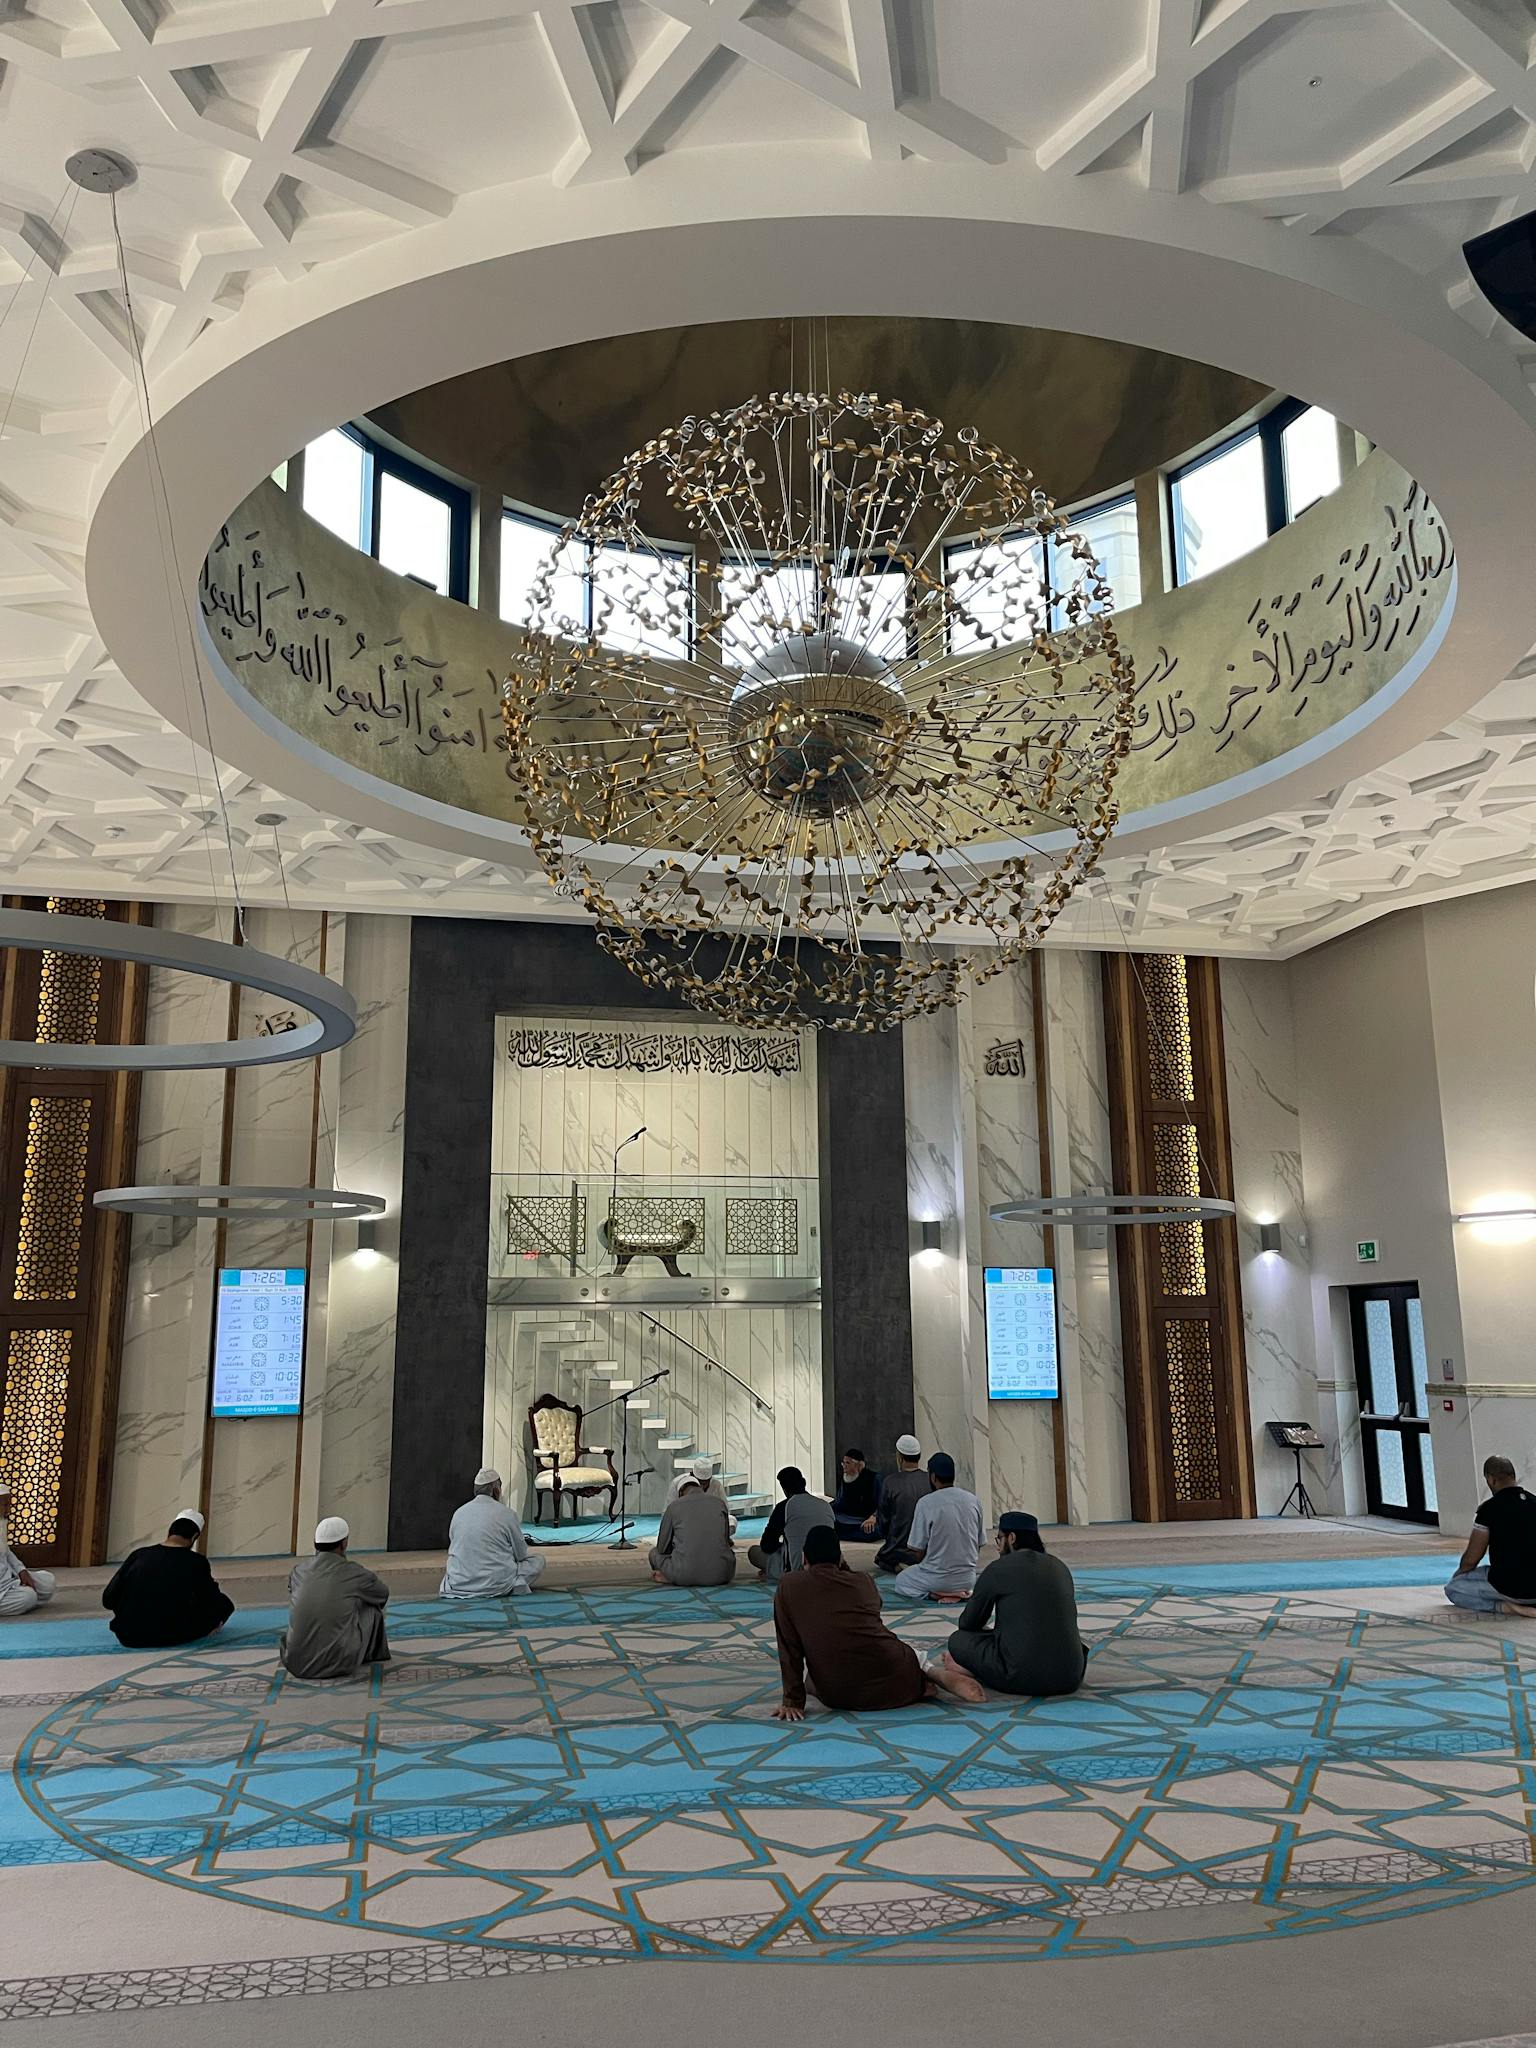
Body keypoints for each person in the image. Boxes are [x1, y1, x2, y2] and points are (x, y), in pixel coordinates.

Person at [773, 1525, 979, 1720]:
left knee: (813, 1680)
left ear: (804, 1557)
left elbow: (789, 1648)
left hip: (838, 1695)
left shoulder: (789, 1586)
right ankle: (929, 1675)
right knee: (903, 1652)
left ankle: (927, 1678)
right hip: (897, 1679)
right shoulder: (863, 1581)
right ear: (840, 1558)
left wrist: (793, 1701)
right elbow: (871, 1609)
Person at [936, 1511, 1086, 1699]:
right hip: (1070, 1676)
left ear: (1011, 1538)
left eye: (999, 1540)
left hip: (1020, 1677)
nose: (998, 1548)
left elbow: (968, 1623)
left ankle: (972, 1669)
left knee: (958, 1640)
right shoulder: (1059, 1566)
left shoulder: (999, 1568)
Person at [101, 1508, 234, 1648]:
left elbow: (109, 1599)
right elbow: (210, 1599)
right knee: (224, 1603)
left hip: (129, 1635)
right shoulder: (196, 1561)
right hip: (175, 1635)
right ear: (194, 1537)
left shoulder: (139, 1555)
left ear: (169, 1532)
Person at [279, 1517, 390, 1680]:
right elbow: (382, 1595)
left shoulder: (298, 1571)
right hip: (340, 1664)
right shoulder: (354, 1572)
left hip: (295, 1663)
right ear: (344, 1544)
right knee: (371, 1606)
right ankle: (373, 1654)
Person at [1445, 1455, 1536, 1615]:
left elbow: (1472, 1559)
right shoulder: (1534, 1502)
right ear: (1513, 1477)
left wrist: (1458, 1576)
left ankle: (1509, 1608)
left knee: (1454, 1589)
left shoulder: (1489, 1509)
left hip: (1510, 1586)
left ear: (1490, 1480)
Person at [892, 1453, 985, 1600]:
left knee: (901, 1581)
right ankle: (954, 1592)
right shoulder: (973, 1500)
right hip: (967, 1580)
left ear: (933, 1477)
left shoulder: (925, 1503)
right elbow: (979, 1544)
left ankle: (935, 1594)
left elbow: (918, 1551)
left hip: (936, 1579)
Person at [441, 1468, 545, 1598]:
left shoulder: (459, 1513)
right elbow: (521, 1554)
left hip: (460, 1582)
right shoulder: (507, 1514)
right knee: (538, 1560)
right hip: (496, 1582)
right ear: (496, 1490)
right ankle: (512, 1585)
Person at [748, 1466, 834, 1585]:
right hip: (829, 1568)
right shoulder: (825, 1505)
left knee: (754, 1552)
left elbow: (767, 1545)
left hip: (797, 1569)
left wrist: (783, 1545)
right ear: (803, 1483)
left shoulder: (785, 1507)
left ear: (784, 1488)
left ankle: (774, 1572)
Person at [650, 1476, 737, 1586]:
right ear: (699, 1487)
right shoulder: (719, 1503)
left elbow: (662, 1548)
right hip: (723, 1573)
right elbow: (726, 1542)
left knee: (654, 1554)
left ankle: (669, 1576)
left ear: (681, 1492)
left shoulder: (674, 1506)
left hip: (684, 1575)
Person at [874, 1434, 930, 1573]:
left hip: (899, 1550)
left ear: (900, 1457)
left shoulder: (890, 1482)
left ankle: (898, 1566)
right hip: (926, 1551)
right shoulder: (930, 1480)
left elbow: (883, 1525)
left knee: (880, 1558)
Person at [0, 1480, 55, 1618]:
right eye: (5, 1505)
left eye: (9, 1505)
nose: (8, 1510)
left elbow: (6, 1552)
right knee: (28, 1597)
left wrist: (21, 1571)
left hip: (9, 1577)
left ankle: (17, 1594)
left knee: (48, 1582)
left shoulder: (1, 1522)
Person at [665, 1455, 738, 1535]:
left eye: (706, 1482)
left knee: (731, 1521)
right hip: (686, 1523)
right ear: (692, 1475)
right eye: (700, 1482)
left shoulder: (716, 1485)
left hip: (709, 1523)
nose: (702, 1486)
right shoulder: (677, 1484)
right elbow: (668, 1513)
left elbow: (725, 1510)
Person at [831, 1447, 881, 1542]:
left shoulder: (874, 1479)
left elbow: (883, 1503)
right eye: (843, 1463)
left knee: (871, 1531)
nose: (844, 1466)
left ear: (860, 1465)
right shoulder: (846, 1478)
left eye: (848, 1463)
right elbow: (839, 1503)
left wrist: (874, 1517)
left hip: (865, 1520)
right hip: (845, 1519)